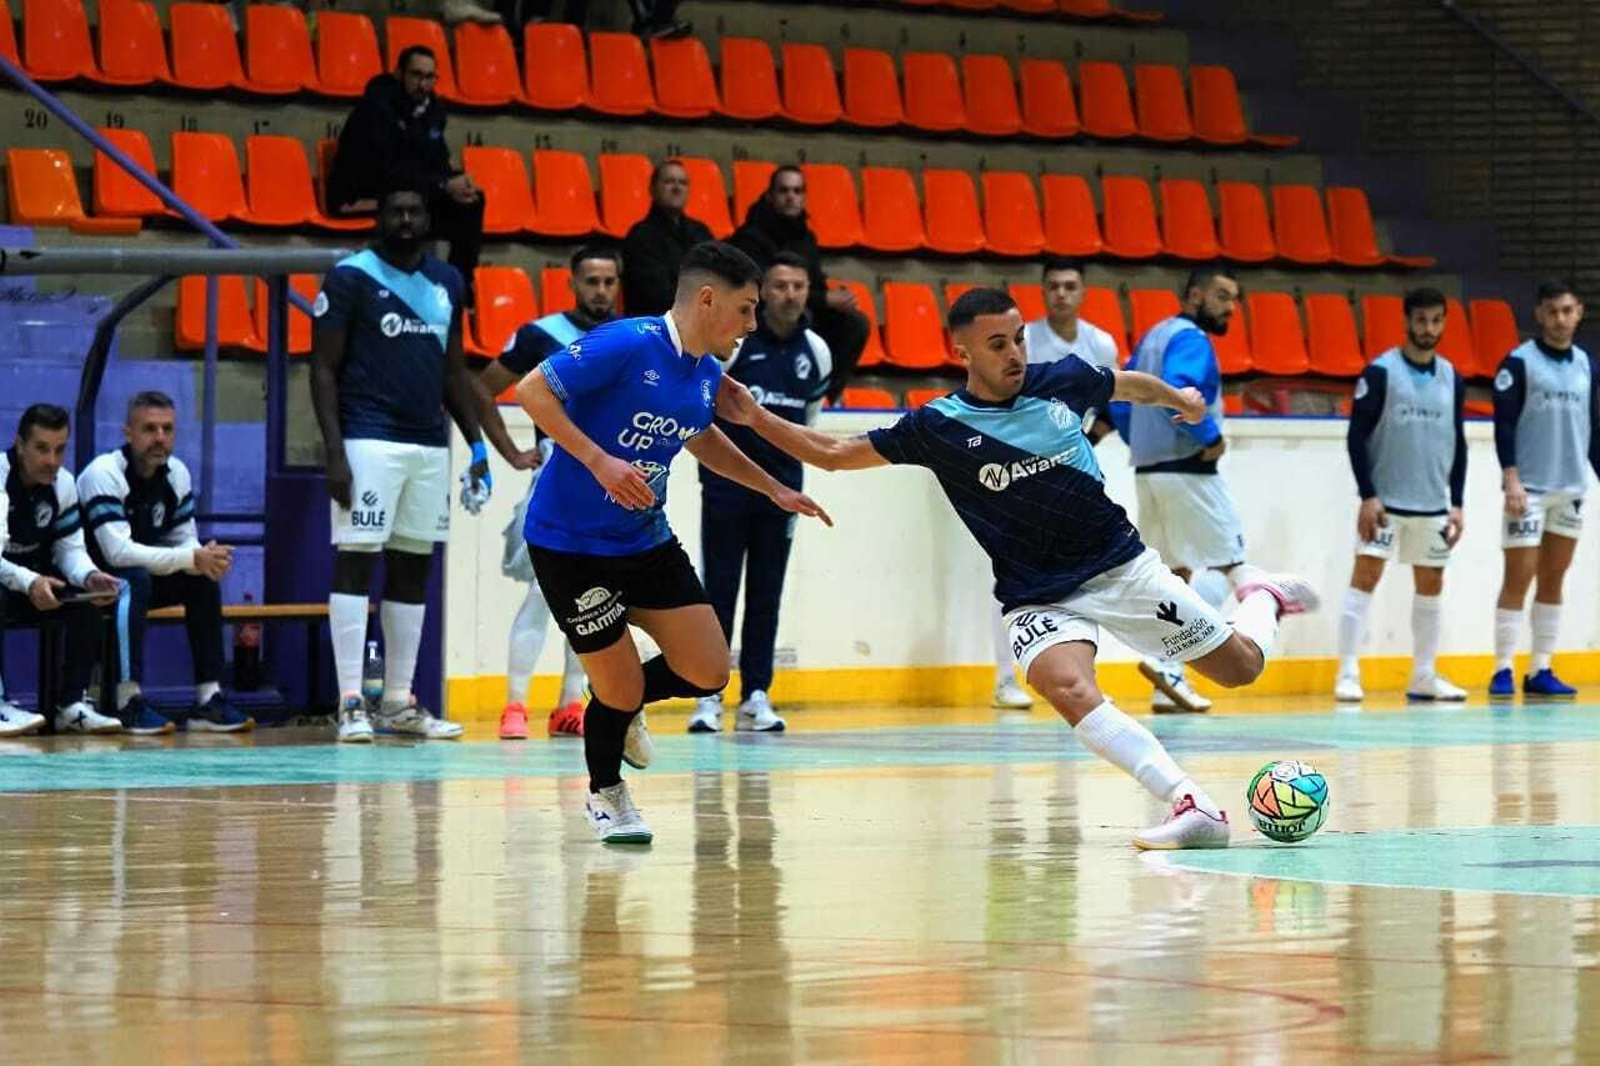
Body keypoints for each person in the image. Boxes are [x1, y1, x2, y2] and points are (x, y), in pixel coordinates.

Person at [716, 287, 1320, 850]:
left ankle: (1263, 594)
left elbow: (1126, 384)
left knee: (1240, 668)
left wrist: (1179, 399)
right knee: (1067, 686)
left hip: (1120, 569)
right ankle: (1191, 805)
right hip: (1037, 594)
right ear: (963, 351)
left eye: (1019, 339)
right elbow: (834, 453)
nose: (1015, 354)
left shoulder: (1062, 381)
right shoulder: (938, 426)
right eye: (998, 344)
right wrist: (754, 418)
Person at [515, 241, 830, 844]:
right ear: (707, 299)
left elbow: (700, 437)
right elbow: (533, 391)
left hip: (643, 540)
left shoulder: (707, 372)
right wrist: (599, 461)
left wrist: (773, 489)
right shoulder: (627, 341)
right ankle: (607, 793)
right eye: (745, 309)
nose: (752, 324)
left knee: (710, 670)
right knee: (622, 685)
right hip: (570, 544)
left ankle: (617, 697)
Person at [312, 180, 523, 742]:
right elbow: (322, 369)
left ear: (428, 220)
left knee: (412, 565)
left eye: (414, 211)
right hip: (367, 440)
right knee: (356, 560)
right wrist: (334, 450)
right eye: (395, 210)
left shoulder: (447, 281)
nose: (405, 219)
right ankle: (351, 700)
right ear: (380, 217)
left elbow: (454, 372)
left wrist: (476, 444)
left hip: (429, 443)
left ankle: (400, 702)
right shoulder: (350, 276)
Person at [471, 245, 622, 741]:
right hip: (555, 483)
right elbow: (482, 387)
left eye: (608, 281)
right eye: (592, 281)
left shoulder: (630, 338)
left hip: (609, 486)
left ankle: (569, 705)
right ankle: (515, 705)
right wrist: (513, 453)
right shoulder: (541, 335)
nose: (600, 290)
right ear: (573, 284)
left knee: (595, 600)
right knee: (541, 595)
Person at [688, 252, 834, 735]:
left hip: (784, 491)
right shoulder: (734, 346)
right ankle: (708, 695)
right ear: (763, 293)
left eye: (799, 285)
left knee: (767, 592)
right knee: (720, 589)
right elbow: (704, 408)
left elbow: (807, 423)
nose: (790, 294)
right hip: (726, 488)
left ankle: (756, 693)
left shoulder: (816, 351)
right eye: (780, 286)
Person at [1110, 266, 1253, 715]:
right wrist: (1209, 437)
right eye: (1222, 296)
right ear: (1194, 296)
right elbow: (1183, 392)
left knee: (1175, 575)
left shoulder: (1154, 334)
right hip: (1189, 470)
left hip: (1150, 470)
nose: (1231, 307)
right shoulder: (1191, 338)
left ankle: (1164, 683)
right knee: (1230, 564)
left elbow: (1122, 396)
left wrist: (1141, 442)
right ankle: (1165, 660)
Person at [985, 256, 1125, 712]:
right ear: (1042, 291)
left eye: (1070, 286)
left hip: (1074, 474)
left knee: (1082, 574)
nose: (1061, 293)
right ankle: (1006, 676)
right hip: (1019, 471)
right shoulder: (1025, 340)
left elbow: (1110, 405)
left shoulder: (1100, 343)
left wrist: (1082, 444)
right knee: (1013, 575)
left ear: (1083, 292)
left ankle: (1080, 675)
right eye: (1053, 286)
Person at [79, 393, 254, 735]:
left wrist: (204, 557)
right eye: (149, 428)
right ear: (128, 433)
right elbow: (117, 554)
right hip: (92, 582)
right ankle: (126, 700)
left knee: (202, 578)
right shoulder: (103, 473)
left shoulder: (177, 474)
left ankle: (208, 698)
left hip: (141, 578)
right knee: (134, 579)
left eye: (167, 429)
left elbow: (183, 539)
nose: (159, 437)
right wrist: (190, 557)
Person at [1335, 288, 1467, 703]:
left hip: (1432, 504)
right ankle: (1348, 672)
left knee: (1432, 584)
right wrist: (1368, 495)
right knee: (1365, 578)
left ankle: (1424, 675)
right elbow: (1356, 436)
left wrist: (1457, 502)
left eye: (1436, 320)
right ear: (1407, 321)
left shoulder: (1452, 376)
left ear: (1444, 323)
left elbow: (1458, 442)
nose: (1429, 328)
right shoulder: (1380, 373)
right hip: (1387, 504)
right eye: (1421, 320)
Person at [1489, 280, 1598, 698]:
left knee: (1554, 578)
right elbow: (1505, 424)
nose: (1560, 319)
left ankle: (1540, 669)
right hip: (1529, 489)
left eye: (1568, 311)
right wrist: (1511, 476)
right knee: (1519, 576)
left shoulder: (1587, 364)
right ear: (1539, 315)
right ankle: (1501, 669)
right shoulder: (1518, 363)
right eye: (1552, 311)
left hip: (1570, 488)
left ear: (1579, 312)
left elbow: (1593, 428)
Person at [1, 405, 123, 736]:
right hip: (10, 583)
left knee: (86, 596)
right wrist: (30, 582)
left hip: (32, 585)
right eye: (42, 449)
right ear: (20, 444)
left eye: (60, 449)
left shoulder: (63, 484)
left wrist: (89, 575)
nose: (52, 460)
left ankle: (71, 704)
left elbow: (70, 550)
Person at [326, 47, 486, 296]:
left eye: (430, 77)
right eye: (416, 75)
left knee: (472, 200)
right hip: (359, 194)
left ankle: (458, 286)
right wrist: (442, 185)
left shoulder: (432, 111)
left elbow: (435, 163)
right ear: (399, 73)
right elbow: (385, 171)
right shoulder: (376, 108)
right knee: (409, 206)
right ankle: (402, 288)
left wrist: (455, 181)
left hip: (406, 187)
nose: (423, 85)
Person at [730, 166, 870, 402]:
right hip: (761, 312)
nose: (790, 196)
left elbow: (815, 284)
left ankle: (822, 397)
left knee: (855, 323)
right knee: (799, 313)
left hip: (804, 308)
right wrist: (823, 299)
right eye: (784, 190)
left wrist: (831, 298)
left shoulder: (806, 238)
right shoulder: (750, 235)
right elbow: (758, 288)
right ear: (770, 196)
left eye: (797, 191)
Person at [621, 160, 714, 317]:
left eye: (682, 183)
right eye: (669, 182)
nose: (677, 188)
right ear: (652, 189)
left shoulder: (701, 232)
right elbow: (656, 296)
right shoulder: (640, 236)